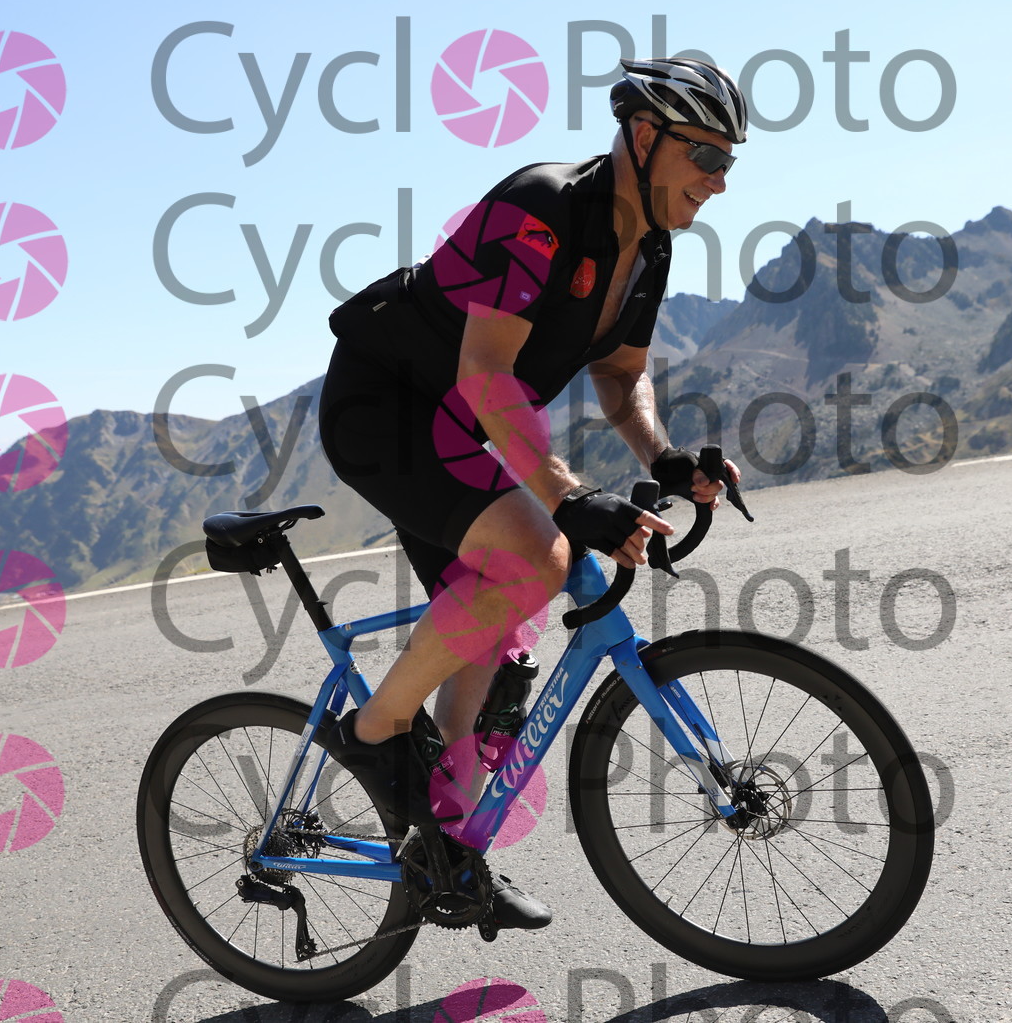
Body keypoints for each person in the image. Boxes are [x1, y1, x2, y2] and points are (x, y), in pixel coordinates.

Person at [317, 57, 748, 931]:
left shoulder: (651, 246)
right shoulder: (541, 207)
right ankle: (372, 734)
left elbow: (621, 376)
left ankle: (445, 857)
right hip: (386, 409)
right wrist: (565, 494)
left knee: (489, 644)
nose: (718, 180)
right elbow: (485, 370)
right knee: (538, 556)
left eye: (729, 162)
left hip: (457, 426)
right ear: (643, 136)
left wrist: (665, 458)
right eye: (704, 154)